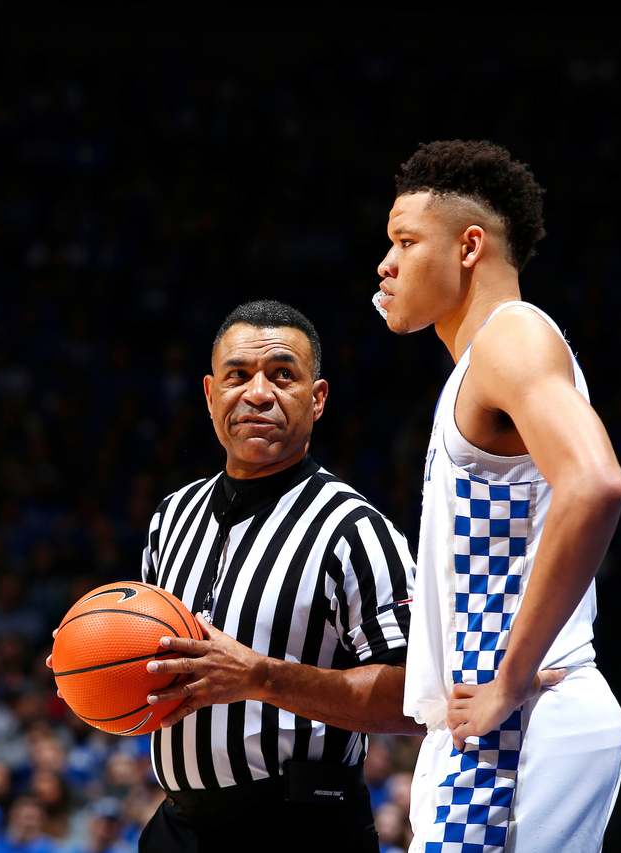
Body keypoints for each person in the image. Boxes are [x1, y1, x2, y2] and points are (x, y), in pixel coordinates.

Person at [373, 140, 621, 852]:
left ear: (469, 246)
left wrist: (507, 679)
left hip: (519, 721)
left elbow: (597, 482)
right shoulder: (480, 365)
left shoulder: (509, 336)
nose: (386, 264)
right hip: (495, 725)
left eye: (405, 240)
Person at [124, 300, 422, 852]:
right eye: (238, 375)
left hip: (300, 824)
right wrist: (93, 668)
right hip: (178, 823)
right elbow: (154, 666)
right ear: (211, 395)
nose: (257, 393)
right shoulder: (172, 517)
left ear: (318, 399)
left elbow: (414, 702)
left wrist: (259, 677)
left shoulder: (354, 528)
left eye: (283, 375)